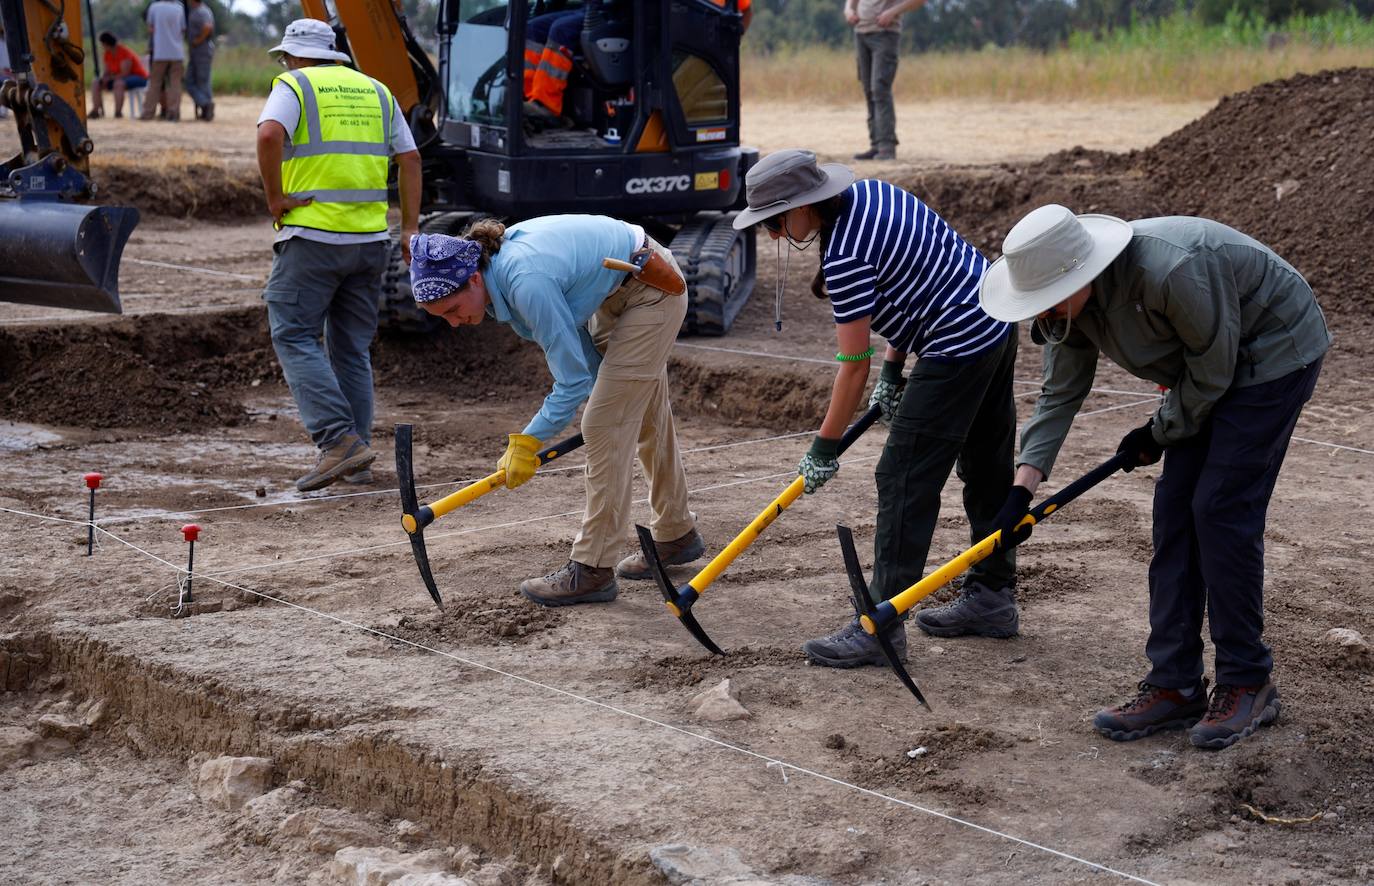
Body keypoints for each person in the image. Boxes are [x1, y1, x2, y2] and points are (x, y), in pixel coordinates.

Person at [978, 205, 1331, 750]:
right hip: (1203, 369)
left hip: (1272, 350)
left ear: (1081, 274)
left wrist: (1158, 431)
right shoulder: (1067, 310)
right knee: (1174, 514)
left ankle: (1247, 679)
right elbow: (1059, 394)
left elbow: (1215, 368)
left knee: (1219, 508)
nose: (1040, 315)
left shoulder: (1169, 270)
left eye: (1047, 300)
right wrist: (1021, 488)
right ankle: (1174, 683)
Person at [732, 149, 1020, 667]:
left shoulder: (843, 256)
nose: (775, 236)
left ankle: (880, 625)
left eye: (775, 222)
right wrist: (895, 368)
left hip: (957, 343)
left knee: (903, 477)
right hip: (996, 317)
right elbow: (917, 285)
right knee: (985, 467)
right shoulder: (874, 194)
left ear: (804, 207)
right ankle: (993, 595)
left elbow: (851, 367)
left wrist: (824, 446)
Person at [407, 217, 707, 607]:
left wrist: (527, 441)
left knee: (603, 424)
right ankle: (676, 533)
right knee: (634, 408)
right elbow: (580, 347)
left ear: (475, 280)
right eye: (441, 317)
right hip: (615, 289)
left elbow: (572, 381)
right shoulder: (503, 279)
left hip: (652, 290)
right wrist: (612, 392)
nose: (453, 323)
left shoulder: (525, 281)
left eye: (452, 309)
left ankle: (593, 569)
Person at [255, 19, 422, 492]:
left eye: (286, 57)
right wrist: (408, 227)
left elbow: (269, 135)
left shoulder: (294, 84)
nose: (285, 64)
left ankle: (338, 442)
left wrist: (275, 198)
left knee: (293, 333)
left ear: (293, 55)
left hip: (313, 238)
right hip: (369, 242)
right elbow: (410, 158)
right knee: (351, 349)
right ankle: (359, 458)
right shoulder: (376, 90)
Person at [843, 0, 925, 161]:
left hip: (885, 34)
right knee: (868, 90)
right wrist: (848, 10)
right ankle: (876, 145)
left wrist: (893, 12)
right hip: (861, 32)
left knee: (879, 88)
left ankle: (887, 146)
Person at [141, 0, 186, 121]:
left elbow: (151, 28)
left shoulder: (154, 7)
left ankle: (148, 112)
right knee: (175, 84)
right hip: (177, 52)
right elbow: (183, 29)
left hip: (160, 52)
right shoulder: (179, 7)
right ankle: (173, 113)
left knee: (155, 83)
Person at [89, 32, 150, 119]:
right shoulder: (107, 54)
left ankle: (118, 113)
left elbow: (125, 73)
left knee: (118, 84)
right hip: (118, 78)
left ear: (106, 43)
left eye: (102, 44)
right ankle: (95, 110)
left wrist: (109, 78)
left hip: (138, 77)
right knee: (96, 82)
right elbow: (107, 71)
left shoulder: (124, 52)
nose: (102, 46)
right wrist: (104, 79)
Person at [185, 0, 215, 121]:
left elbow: (208, 27)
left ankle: (206, 106)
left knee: (202, 82)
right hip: (196, 53)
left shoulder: (202, 11)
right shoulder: (197, 11)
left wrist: (198, 40)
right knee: (190, 81)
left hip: (202, 51)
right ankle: (205, 105)